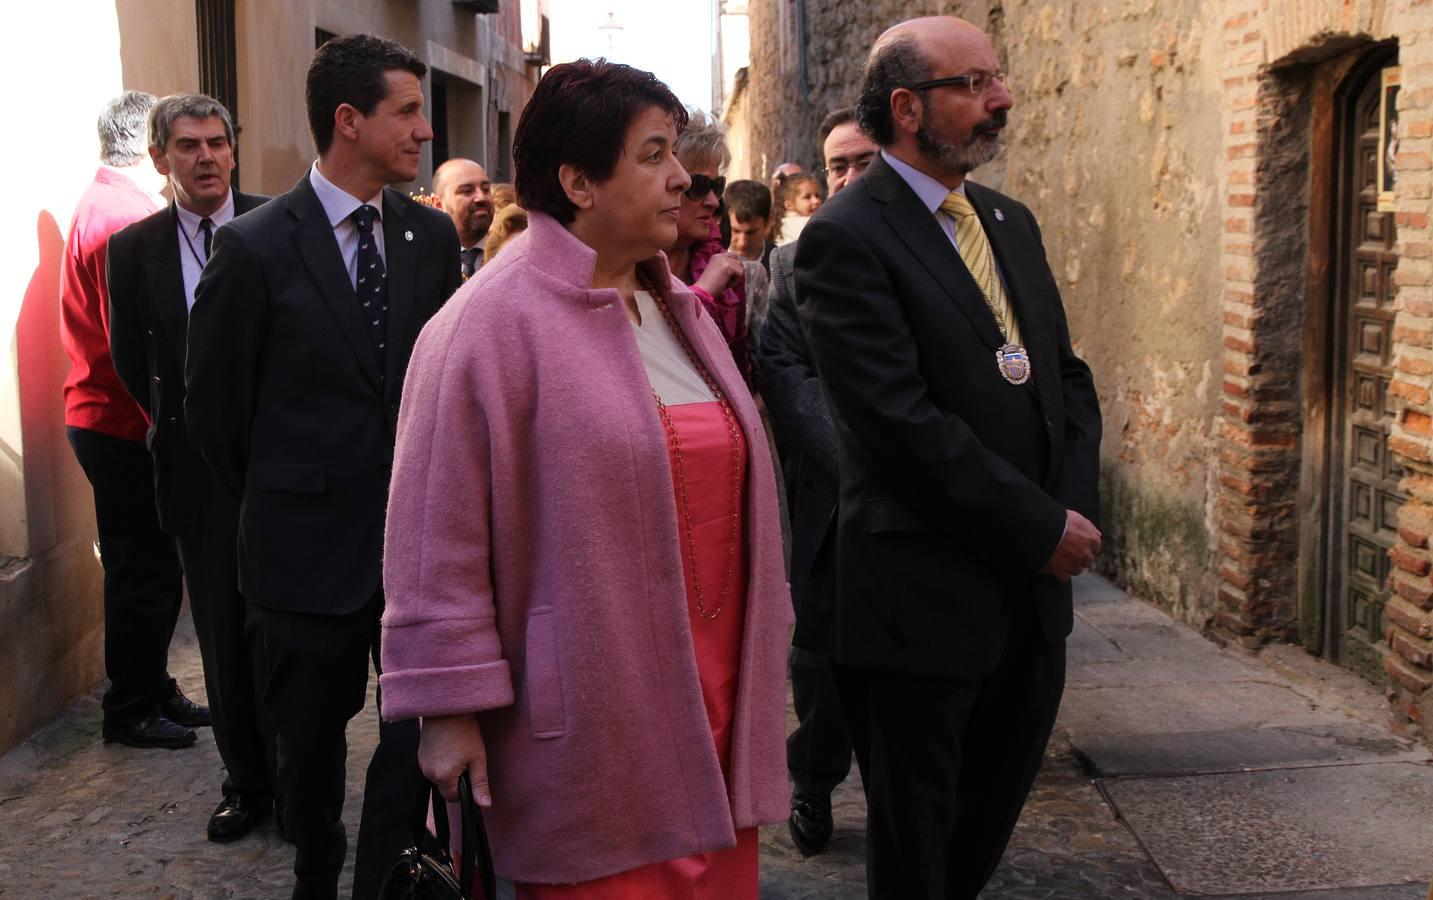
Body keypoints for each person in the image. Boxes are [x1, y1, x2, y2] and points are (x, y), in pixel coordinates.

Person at [378, 59, 792, 899]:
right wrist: (447, 710)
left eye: (676, 153)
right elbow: (434, 538)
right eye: (652, 155)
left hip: (713, 692)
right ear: (577, 182)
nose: (683, 178)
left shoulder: (675, 308)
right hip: (587, 713)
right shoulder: (484, 325)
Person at [793, 16, 1103, 899]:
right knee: (918, 847)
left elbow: (1065, 382)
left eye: (994, 79)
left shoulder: (1009, 222)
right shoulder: (846, 237)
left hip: (1031, 601)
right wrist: (1036, 525)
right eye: (972, 85)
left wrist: (1067, 516)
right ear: (906, 107)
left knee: (984, 828)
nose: (998, 99)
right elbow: (898, 424)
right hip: (921, 606)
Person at [184, 34, 461, 900]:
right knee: (305, 740)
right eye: (407, 111)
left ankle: (386, 869)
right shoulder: (258, 247)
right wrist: (287, 497)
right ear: (349, 120)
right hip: (302, 557)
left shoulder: (430, 236)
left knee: (417, 731)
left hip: (417, 549)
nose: (424, 131)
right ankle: (314, 865)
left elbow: (440, 382)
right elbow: (215, 413)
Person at [107, 92, 275, 842]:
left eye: (217, 142)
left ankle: (302, 781)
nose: (205, 156)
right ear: (159, 159)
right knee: (221, 638)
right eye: (187, 145)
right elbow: (129, 362)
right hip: (195, 480)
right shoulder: (133, 250)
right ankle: (246, 784)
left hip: (281, 472)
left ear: (234, 151)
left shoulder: (279, 226)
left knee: (286, 637)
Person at [60, 90, 210, 751]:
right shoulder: (122, 216)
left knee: (148, 565)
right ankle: (130, 708)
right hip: (120, 420)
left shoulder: (106, 199)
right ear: (151, 148)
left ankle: (151, 689)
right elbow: (139, 341)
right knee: (142, 568)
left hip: (111, 414)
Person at [756, 105, 875, 857]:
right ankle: (812, 779)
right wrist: (867, 469)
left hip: (935, 516)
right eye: (837, 166)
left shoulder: (959, 249)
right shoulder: (791, 268)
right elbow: (784, 371)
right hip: (835, 505)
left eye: (863, 161)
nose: (849, 178)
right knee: (822, 667)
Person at [662, 110, 767, 382]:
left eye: (717, 185)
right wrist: (703, 294)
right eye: (697, 185)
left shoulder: (743, 276)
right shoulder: (622, 272)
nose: (712, 201)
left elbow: (766, 376)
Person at [433, 157, 494, 279]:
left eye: (486, 189)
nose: (481, 197)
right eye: (467, 191)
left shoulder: (510, 252)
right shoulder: (425, 261)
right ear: (438, 204)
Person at [725, 179, 773, 269]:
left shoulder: (782, 266)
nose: (742, 243)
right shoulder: (705, 259)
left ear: (768, 222)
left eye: (751, 233)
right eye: (735, 231)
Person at [772, 173, 822, 246]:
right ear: (789, 205)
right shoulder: (802, 225)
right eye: (807, 197)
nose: (816, 201)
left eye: (817, 195)